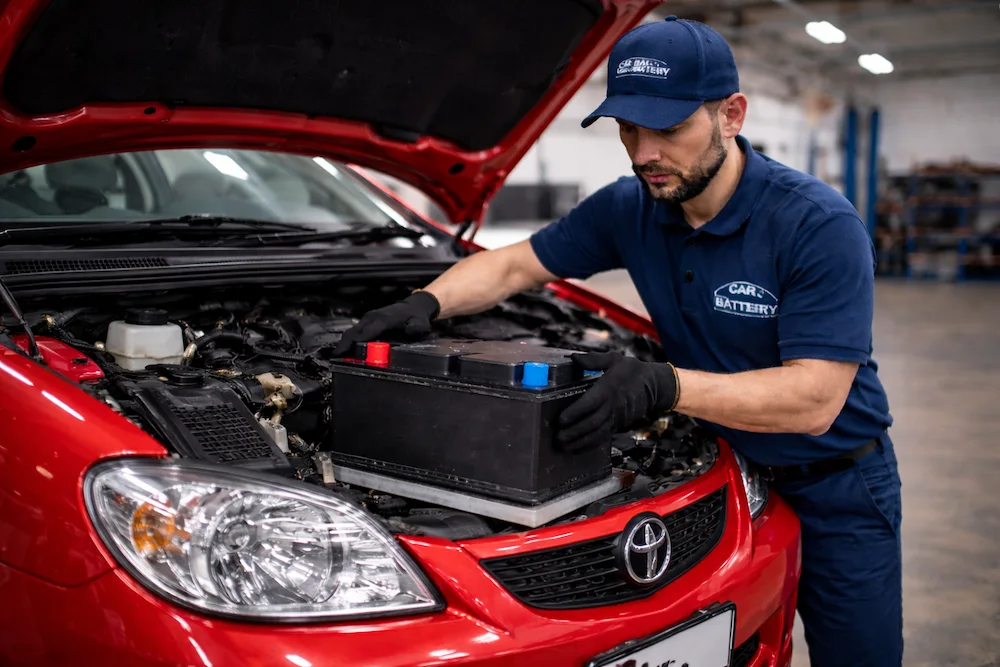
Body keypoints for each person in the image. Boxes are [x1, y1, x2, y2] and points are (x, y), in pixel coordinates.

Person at [333, 16, 902, 667]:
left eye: (669, 128)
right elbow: (516, 264)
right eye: (629, 129)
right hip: (726, 464)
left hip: (837, 483)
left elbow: (815, 399)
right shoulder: (631, 207)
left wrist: (666, 386)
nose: (643, 153)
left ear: (732, 115)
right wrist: (426, 301)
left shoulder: (816, 225)